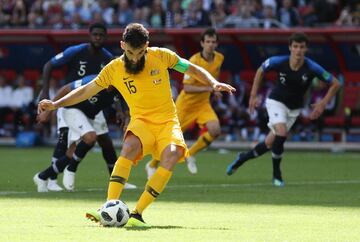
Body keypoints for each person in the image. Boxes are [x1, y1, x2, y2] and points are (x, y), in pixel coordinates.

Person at [38, 23, 235, 227]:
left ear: (147, 46)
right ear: (123, 45)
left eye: (140, 52)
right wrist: (55, 104)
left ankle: (137, 214)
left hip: (168, 120)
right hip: (141, 119)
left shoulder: (161, 55)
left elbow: (190, 67)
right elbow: (87, 90)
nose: (135, 57)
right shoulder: (113, 68)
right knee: (130, 147)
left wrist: (213, 83)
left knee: (174, 154)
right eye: (131, 52)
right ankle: (107, 208)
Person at [226, 32, 340, 187]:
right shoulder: (279, 62)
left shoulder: (312, 67)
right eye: (295, 46)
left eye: (301, 47)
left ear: (306, 49)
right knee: (281, 132)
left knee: (268, 144)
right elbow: (260, 70)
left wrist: (323, 103)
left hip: (294, 110)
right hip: (275, 102)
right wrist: (253, 95)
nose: (298, 50)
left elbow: (335, 83)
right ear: (290, 48)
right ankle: (276, 175)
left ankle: (242, 158)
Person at [37, 22, 115, 191]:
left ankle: (117, 179)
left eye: (101, 35)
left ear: (105, 37)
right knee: (65, 140)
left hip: (95, 104)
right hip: (70, 102)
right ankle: (51, 179)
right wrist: (46, 96)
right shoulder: (77, 51)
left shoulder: (108, 58)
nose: (98, 38)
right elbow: (49, 65)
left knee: (105, 141)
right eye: (95, 34)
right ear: (90, 35)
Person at [34, 75, 135, 192]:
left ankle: (42, 176)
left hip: (89, 115)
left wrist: (126, 119)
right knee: (91, 137)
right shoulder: (96, 80)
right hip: (72, 110)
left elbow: (127, 105)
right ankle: (71, 169)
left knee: (71, 153)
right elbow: (66, 88)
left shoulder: (121, 87)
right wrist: (50, 110)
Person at [146, 27, 224, 177]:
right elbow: (187, 88)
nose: (211, 44)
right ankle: (152, 164)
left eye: (213, 42)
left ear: (217, 44)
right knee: (171, 141)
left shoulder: (219, 58)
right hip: (185, 105)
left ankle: (191, 154)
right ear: (202, 43)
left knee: (215, 130)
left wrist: (215, 90)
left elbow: (213, 76)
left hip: (203, 105)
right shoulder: (194, 61)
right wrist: (210, 88)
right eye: (208, 41)